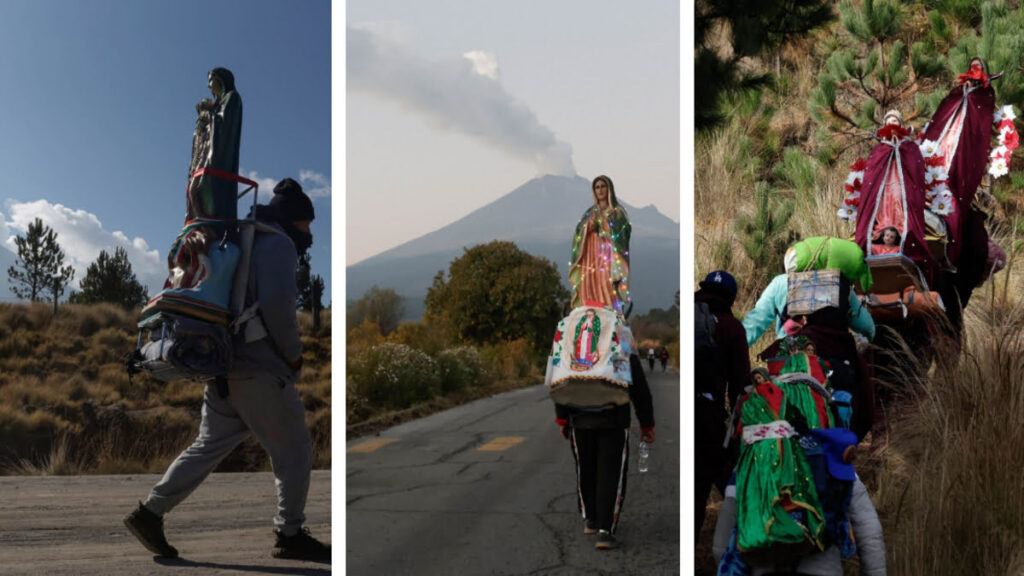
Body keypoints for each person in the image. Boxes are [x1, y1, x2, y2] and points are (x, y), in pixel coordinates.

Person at [124, 179, 329, 562]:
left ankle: (150, 513)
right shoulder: (279, 244)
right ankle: (290, 534)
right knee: (295, 451)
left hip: (220, 364)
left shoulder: (240, 239)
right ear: (294, 219)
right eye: (307, 223)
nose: (309, 232)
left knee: (207, 447)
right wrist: (294, 356)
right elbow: (278, 306)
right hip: (259, 369)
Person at [555, 355, 654, 550]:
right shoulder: (619, 344)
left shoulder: (575, 341)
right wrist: (646, 424)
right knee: (611, 474)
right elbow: (638, 388)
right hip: (613, 420)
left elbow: (561, 381)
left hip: (579, 419)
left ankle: (591, 519)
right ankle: (605, 530)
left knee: (585, 469)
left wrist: (562, 418)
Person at [694, 270, 750, 539]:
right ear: (731, 297)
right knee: (705, 480)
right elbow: (740, 387)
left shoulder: (689, 315)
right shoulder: (732, 327)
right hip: (707, 414)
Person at [855, 109, 932, 273]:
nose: (892, 124)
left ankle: (900, 240)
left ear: (902, 125)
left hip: (901, 189)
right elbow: (871, 176)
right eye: (889, 121)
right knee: (882, 212)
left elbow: (916, 171)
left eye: (895, 121)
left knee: (900, 211)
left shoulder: (910, 148)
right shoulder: (878, 150)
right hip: (883, 192)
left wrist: (900, 149)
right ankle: (878, 241)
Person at [568, 175, 631, 315]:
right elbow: (579, 232)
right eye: (597, 187)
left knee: (607, 286)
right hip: (589, 256)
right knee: (589, 285)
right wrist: (588, 226)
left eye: (603, 186)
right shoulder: (589, 213)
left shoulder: (618, 212)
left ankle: (609, 311)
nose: (600, 190)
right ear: (594, 191)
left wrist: (607, 225)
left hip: (608, 256)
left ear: (609, 189)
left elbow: (623, 232)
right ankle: (589, 312)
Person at [188, 67, 244, 222]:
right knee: (193, 191)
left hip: (218, 159)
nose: (208, 85)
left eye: (211, 80)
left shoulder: (232, 98)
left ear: (220, 80)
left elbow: (223, 125)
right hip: (205, 156)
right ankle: (200, 220)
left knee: (201, 191)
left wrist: (207, 114)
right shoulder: (218, 104)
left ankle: (206, 222)